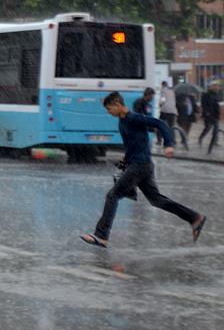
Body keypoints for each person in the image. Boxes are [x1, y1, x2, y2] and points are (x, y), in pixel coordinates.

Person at [80, 92, 206, 248]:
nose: (108, 112)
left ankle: (101, 236)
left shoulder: (133, 118)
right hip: (141, 164)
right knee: (157, 200)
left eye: (109, 108)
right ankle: (195, 218)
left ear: (118, 105)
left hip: (140, 166)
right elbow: (132, 145)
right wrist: (123, 163)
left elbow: (161, 124)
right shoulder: (122, 121)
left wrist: (168, 144)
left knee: (113, 196)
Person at [198, 81, 221, 154]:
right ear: (212, 87)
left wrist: (218, 114)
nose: (218, 88)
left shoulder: (216, 95)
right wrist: (207, 113)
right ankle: (201, 138)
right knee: (207, 128)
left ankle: (210, 149)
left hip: (215, 116)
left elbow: (216, 105)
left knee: (215, 132)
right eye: (216, 86)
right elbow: (204, 105)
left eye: (218, 86)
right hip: (208, 116)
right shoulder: (206, 95)